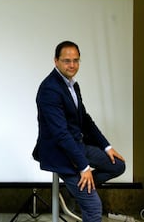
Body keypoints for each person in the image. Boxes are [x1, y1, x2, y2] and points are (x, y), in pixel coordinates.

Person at [32, 40, 126, 222]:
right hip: (60, 153)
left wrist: (107, 147)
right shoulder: (49, 89)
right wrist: (84, 167)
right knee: (93, 206)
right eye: (67, 60)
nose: (72, 65)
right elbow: (61, 134)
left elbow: (85, 121)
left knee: (117, 165)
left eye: (76, 60)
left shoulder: (72, 85)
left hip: (76, 145)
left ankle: (75, 189)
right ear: (56, 61)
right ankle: (80, 187)